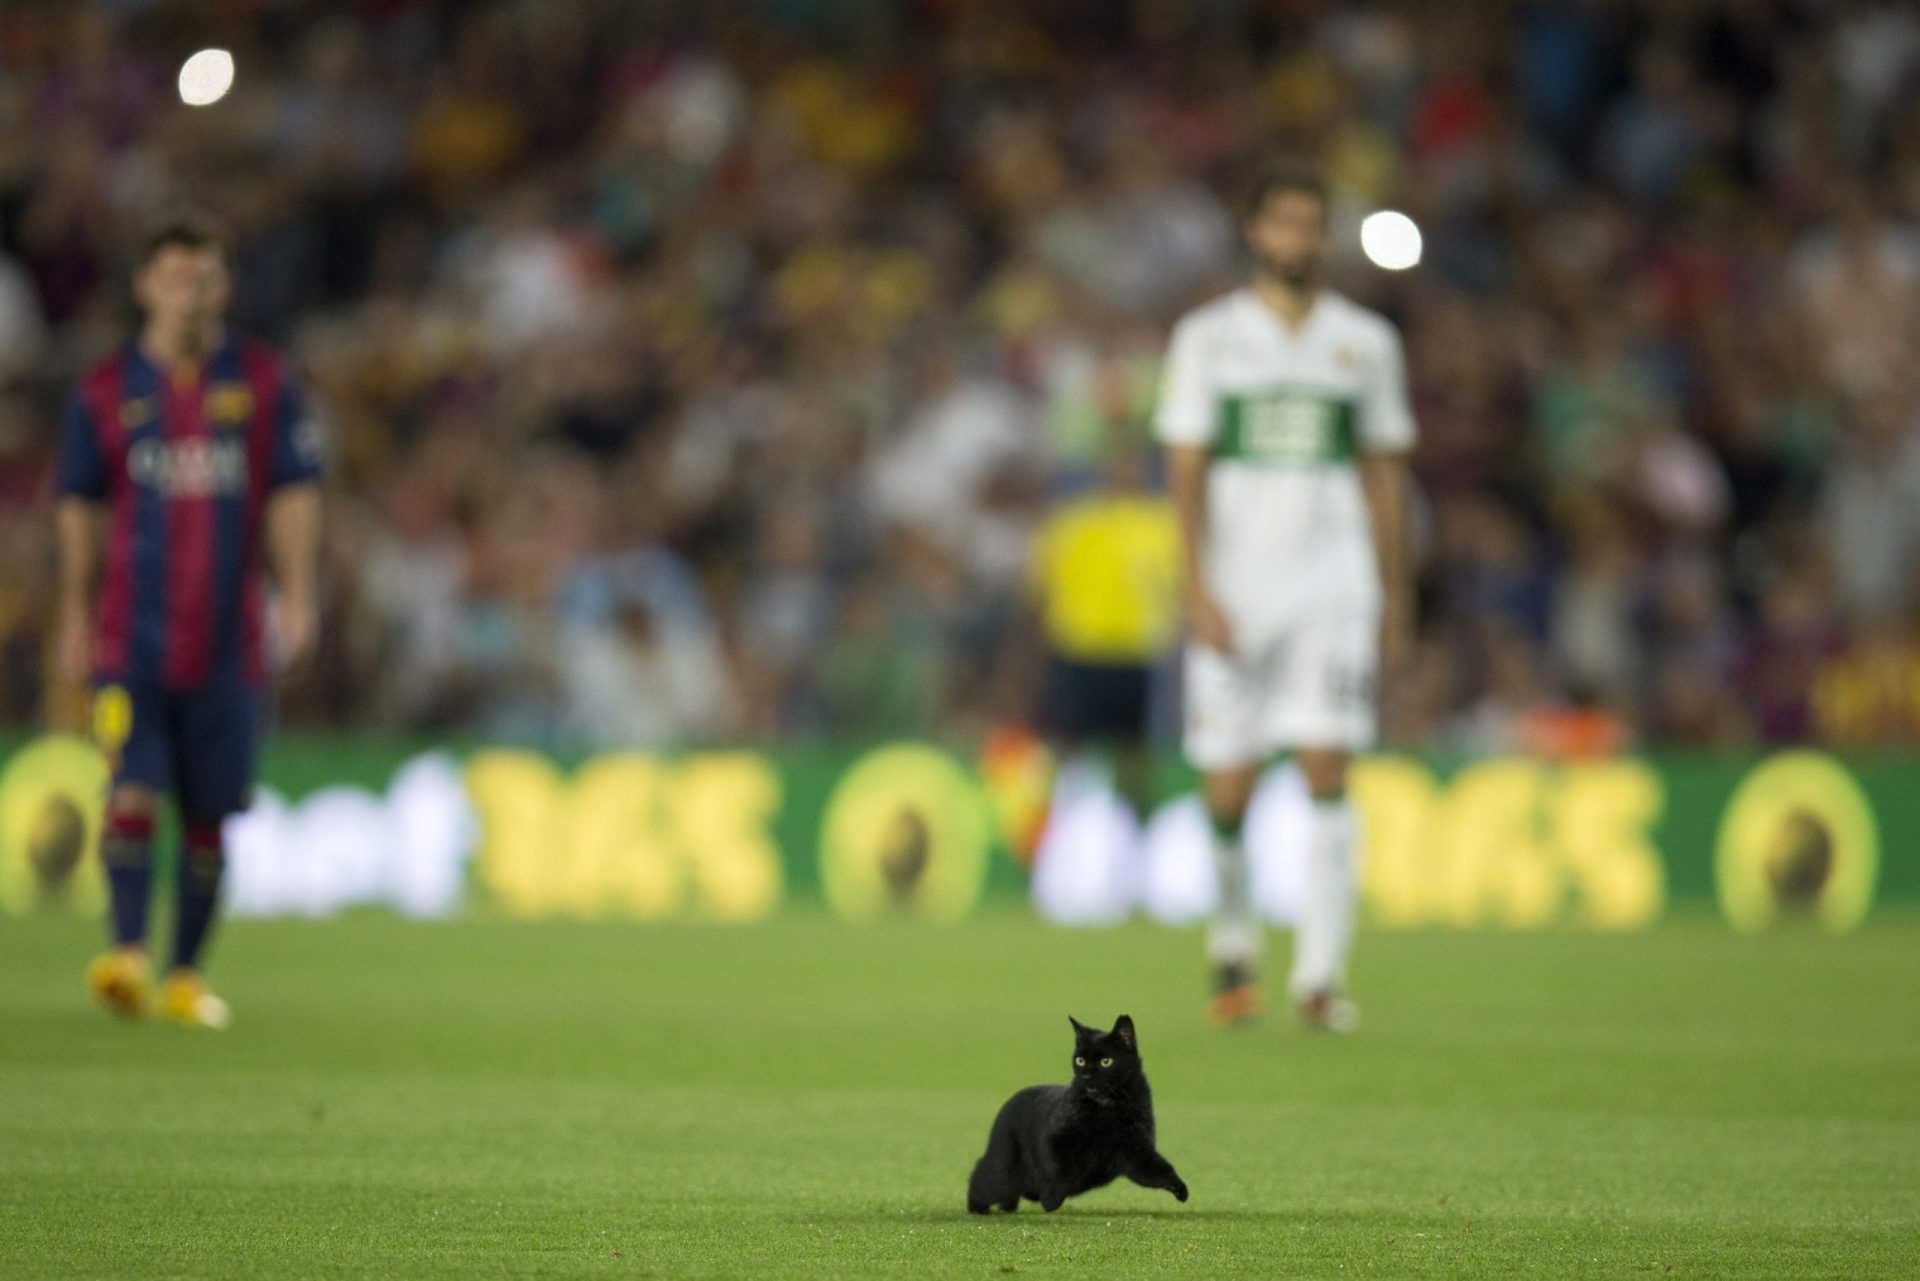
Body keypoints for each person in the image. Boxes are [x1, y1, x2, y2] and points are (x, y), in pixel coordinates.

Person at [1154, 163, 1416, 1031]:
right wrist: (1196, 584)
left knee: (1326, 766)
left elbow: (1384, 474)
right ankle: (1233, 943)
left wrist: (1393, 594)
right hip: (1236, 587)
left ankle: (1319, 976)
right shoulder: (1207, 339)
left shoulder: (1365, 344)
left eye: (1311, 226)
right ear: (1256, 233)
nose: (1297, 241)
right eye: (1284, 225)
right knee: (1227, 785)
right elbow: (1185, 469)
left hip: (1333, 588)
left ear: (1324, 238)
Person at [54, 215, 323, 1028]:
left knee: (210, 812)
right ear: (144, 285)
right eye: (174, 277)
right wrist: (73, 607)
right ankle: (128, 954)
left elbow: (293, 490)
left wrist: (299, 591)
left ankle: (183, 976)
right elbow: (81, 506)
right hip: (125, 639)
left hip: (227, 645)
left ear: (225, 286)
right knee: (131, 788)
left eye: (204, 277)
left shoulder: (266, 384)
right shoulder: (103, 391)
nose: (189, 293)